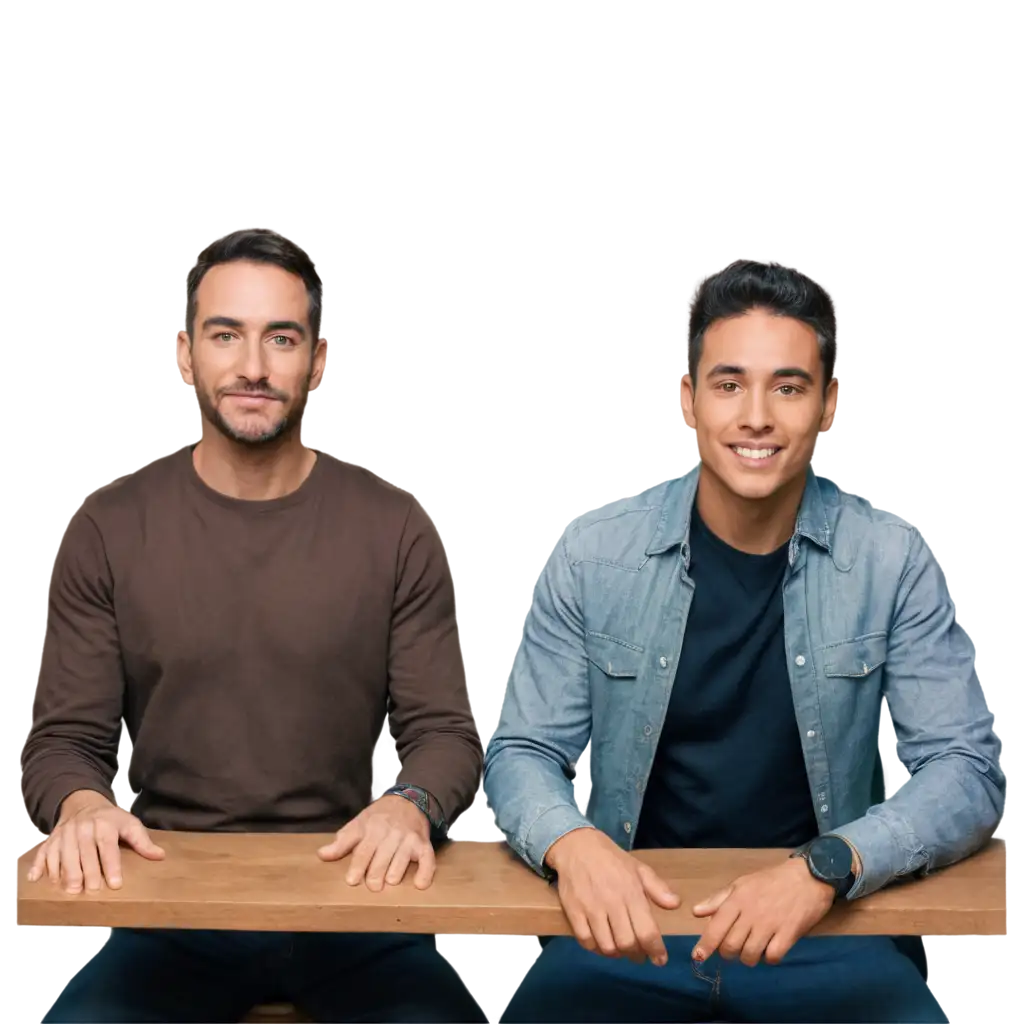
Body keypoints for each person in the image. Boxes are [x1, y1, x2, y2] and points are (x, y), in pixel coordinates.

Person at [483, 262, 1004, 1024]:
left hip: (828, 930)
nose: (756, 415)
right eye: (729, 385)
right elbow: (520, 751)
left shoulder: (890, 559)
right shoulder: (592, 552)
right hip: (634, 929)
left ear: (828, 407)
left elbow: (965, 769)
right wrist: (577, 847)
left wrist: (827, 867)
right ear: (688, 404)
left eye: (788, 387)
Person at [22, 227, 485, 1024]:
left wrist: (408, 802)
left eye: (282, 337)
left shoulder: (393, 530)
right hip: (171, 906)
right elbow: (60, 743)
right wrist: (83, 807)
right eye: (225, 334)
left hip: (356, 899)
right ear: (184, 354)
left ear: (319, 359)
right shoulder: (110, 529)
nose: (253, 366)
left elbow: (447, 733)